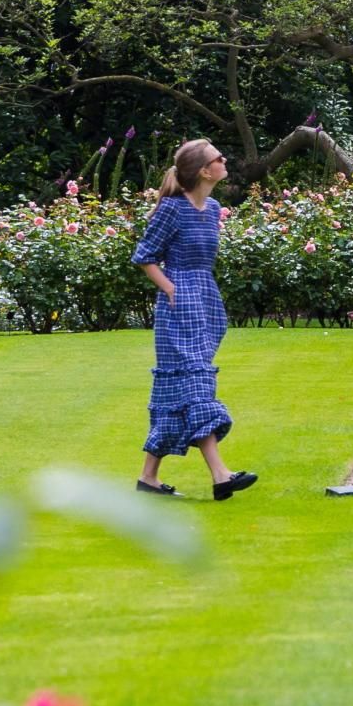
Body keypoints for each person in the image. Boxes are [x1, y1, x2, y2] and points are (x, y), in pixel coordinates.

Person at [131, 140, 256, 499]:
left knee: (176, 392)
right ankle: (221, 475)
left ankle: (148, 478)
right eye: (218, 157)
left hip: (206, 301)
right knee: (197, 386)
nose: (224, 159)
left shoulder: (214, 207)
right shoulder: (172, 209)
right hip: (178, 305)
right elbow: (144, 256)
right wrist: (171, 289)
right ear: (204, 170)